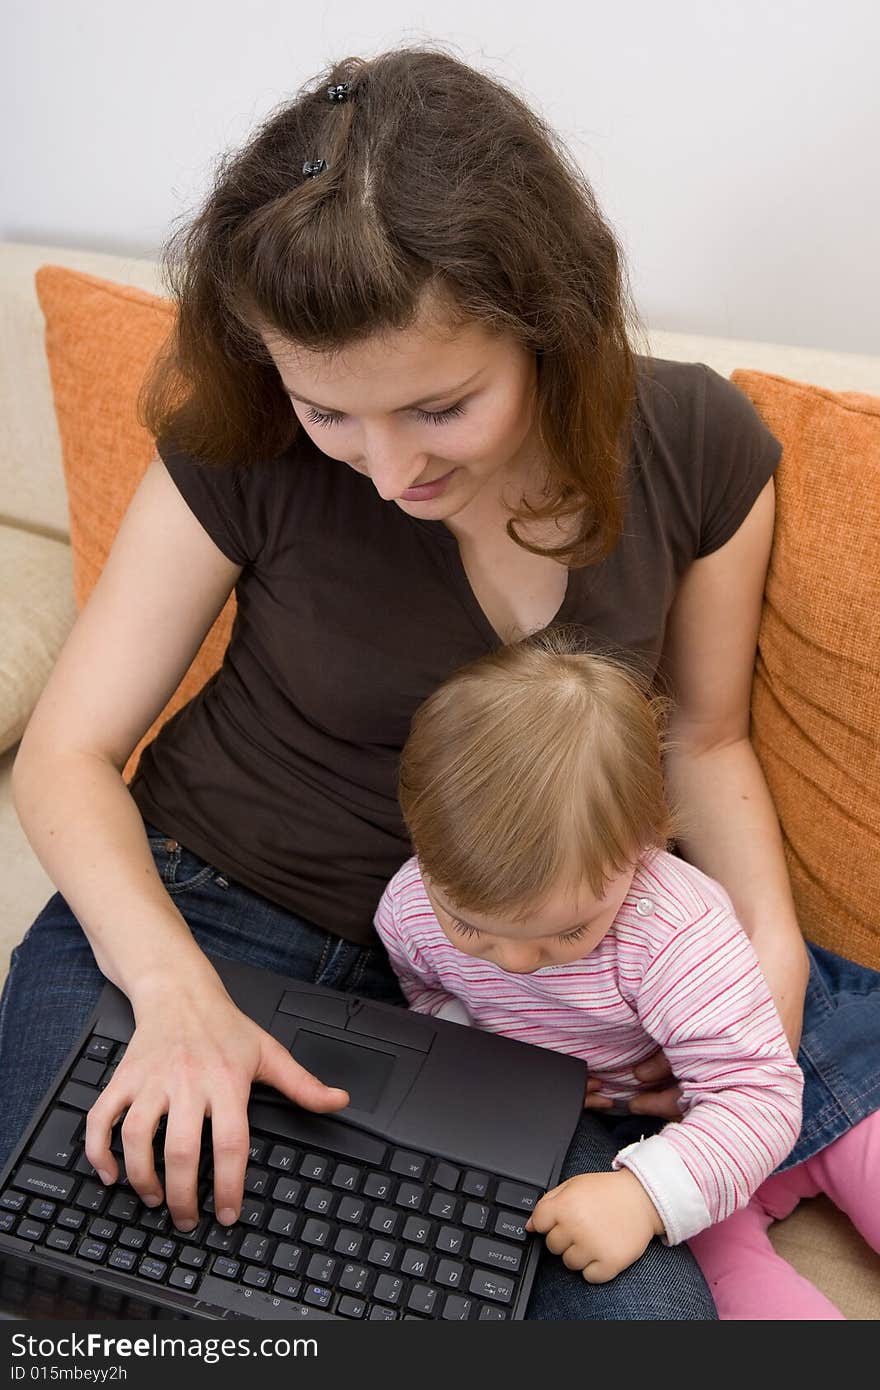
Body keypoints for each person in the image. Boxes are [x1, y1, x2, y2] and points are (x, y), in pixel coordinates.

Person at [0, 44, 817, 1319]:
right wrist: (174, 997)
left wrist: (765, 972)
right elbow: (64, 754)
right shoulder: (246, 440)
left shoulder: (695, 445)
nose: (385, 472)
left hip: (524, 992)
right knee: (73, 1295)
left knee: (642, 1324)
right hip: (202, 913)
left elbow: (700, 743)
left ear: (550, 325)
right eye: (332, 412)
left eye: (439, 407)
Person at [375, 632, 880, 1318]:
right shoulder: (409, 910)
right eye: (471, 929)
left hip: (799, 1068)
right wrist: (479, 1048)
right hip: (670, 1147)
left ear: (644, 847)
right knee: (734, 1293)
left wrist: (647, 1194)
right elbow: (427, 990)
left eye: (569, 932)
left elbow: (760, 1096)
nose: (517, 962)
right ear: (419, 846)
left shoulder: (671, 926)